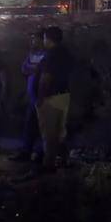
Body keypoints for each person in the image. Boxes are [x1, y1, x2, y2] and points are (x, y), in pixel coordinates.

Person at [36, 26, 74, 172]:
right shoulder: (66, 53)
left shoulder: (50, 55)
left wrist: (40, 97)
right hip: (64, 95)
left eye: (45, 38)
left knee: (49, 133)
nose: (43, 40)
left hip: (50, 97)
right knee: (61, 131)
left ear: (49, 39)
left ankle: (49, 163)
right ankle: (63, 160)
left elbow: (46, 78)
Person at [9, 30, 46, 162]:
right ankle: (26, 151)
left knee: (44, 126)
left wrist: (33, 69)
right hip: (32, 96)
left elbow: (40, 70)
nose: (33, 42)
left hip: (44, 96)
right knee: (29, 124)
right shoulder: (32, 54)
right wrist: (35, 69)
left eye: (35, 39)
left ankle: (42, 153)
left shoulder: (47, 55)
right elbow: (24, 68)